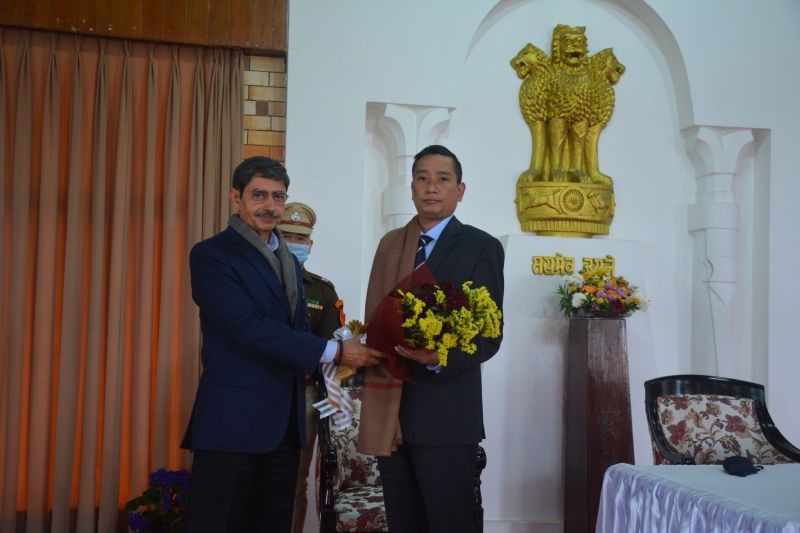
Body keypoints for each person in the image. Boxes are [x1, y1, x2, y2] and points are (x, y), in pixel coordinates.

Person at [181, 156, 384, 533]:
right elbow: (247, 328)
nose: (270, 206)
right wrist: (336, 352)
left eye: (278, 196)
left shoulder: (287, 261)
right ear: (234, 198)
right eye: (259, 195)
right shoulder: (212, 255)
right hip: (233, 422)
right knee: (218, 522)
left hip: (285, 424)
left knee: (272, 523)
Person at [359, 145, 504, 533]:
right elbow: (377, 317)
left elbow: (489, 336)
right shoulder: (390, 243)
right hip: (390, 409)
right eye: (422, 178)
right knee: (403, 523)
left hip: (446, 415)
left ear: (461, 190)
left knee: (448, 521)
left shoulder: (481, 247)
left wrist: (437, 357)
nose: (431, 188)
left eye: (443, 179)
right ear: (411, 189)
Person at [278, 202, 344, 533]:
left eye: (300, 238)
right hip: (261, 389)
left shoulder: (321, 290)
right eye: (286, 235)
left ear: (310, 245)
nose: (294, 243)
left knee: (294, 482)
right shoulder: (256, 280)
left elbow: (332, 350)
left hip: (303, 393)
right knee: (251, 476)